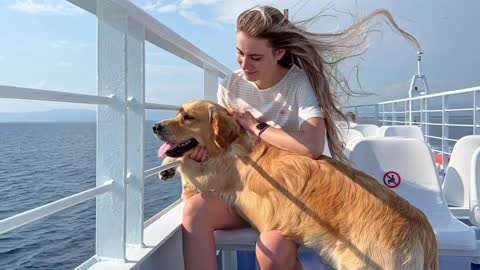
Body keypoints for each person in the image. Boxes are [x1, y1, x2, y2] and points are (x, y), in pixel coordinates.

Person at [159, 5, 420, 270]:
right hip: (239, 189)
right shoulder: (231, 86)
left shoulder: (298, 85)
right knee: (194, 213)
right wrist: (199, 151)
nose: (245, 65)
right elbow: (221, 144)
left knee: (271, 251)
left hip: (283, 196)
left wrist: (255, 126)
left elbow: (312, 146)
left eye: (256, 57)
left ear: (279, 52)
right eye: (239, 53)